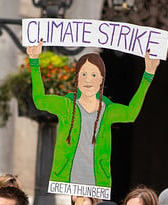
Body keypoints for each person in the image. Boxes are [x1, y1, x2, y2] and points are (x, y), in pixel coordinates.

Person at [27, 41, 160, 189]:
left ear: (101, 80)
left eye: (93, 74)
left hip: (97, 182)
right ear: (77, 78)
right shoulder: (65, 106)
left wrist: (148, 74)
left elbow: (131, 114)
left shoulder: (108, 111)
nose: (88, 79)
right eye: (84, 74)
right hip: (65, 179)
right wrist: (34, 61)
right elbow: (40, 101)